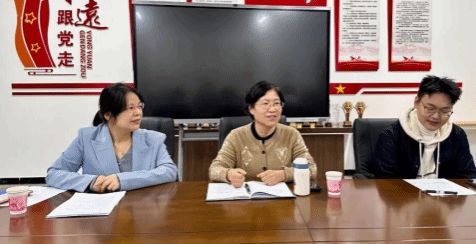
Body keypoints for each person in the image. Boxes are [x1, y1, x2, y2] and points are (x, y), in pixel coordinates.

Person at [46, 83, 177, 192]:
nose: (138, 113)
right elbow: (54, 174)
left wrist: (123, 180)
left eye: (139, 106)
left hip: (141, 208)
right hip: (100, 210)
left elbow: (169, 171)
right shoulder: (86, 138)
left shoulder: (153, 139)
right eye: (130, 108)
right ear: (108, 115)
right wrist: (90, 182)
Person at [209, 81, 317, 188]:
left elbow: (312, 169)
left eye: (277, 103)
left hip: (282, 197)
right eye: (265, 103)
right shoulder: (236, 136)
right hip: (246, 197)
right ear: (251, 109)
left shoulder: (292, 135)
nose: (273, 109)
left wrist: (283, 175)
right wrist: (228, 174)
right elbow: (214, 170)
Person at [372, 75, 476, 179]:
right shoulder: (391, 135)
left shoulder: (457, 135)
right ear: (416, 103)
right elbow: (385, 180)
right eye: (430, 108)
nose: (436, 116)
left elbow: (467, 176)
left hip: (445, 190)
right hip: (402, 190)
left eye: (445, 111)